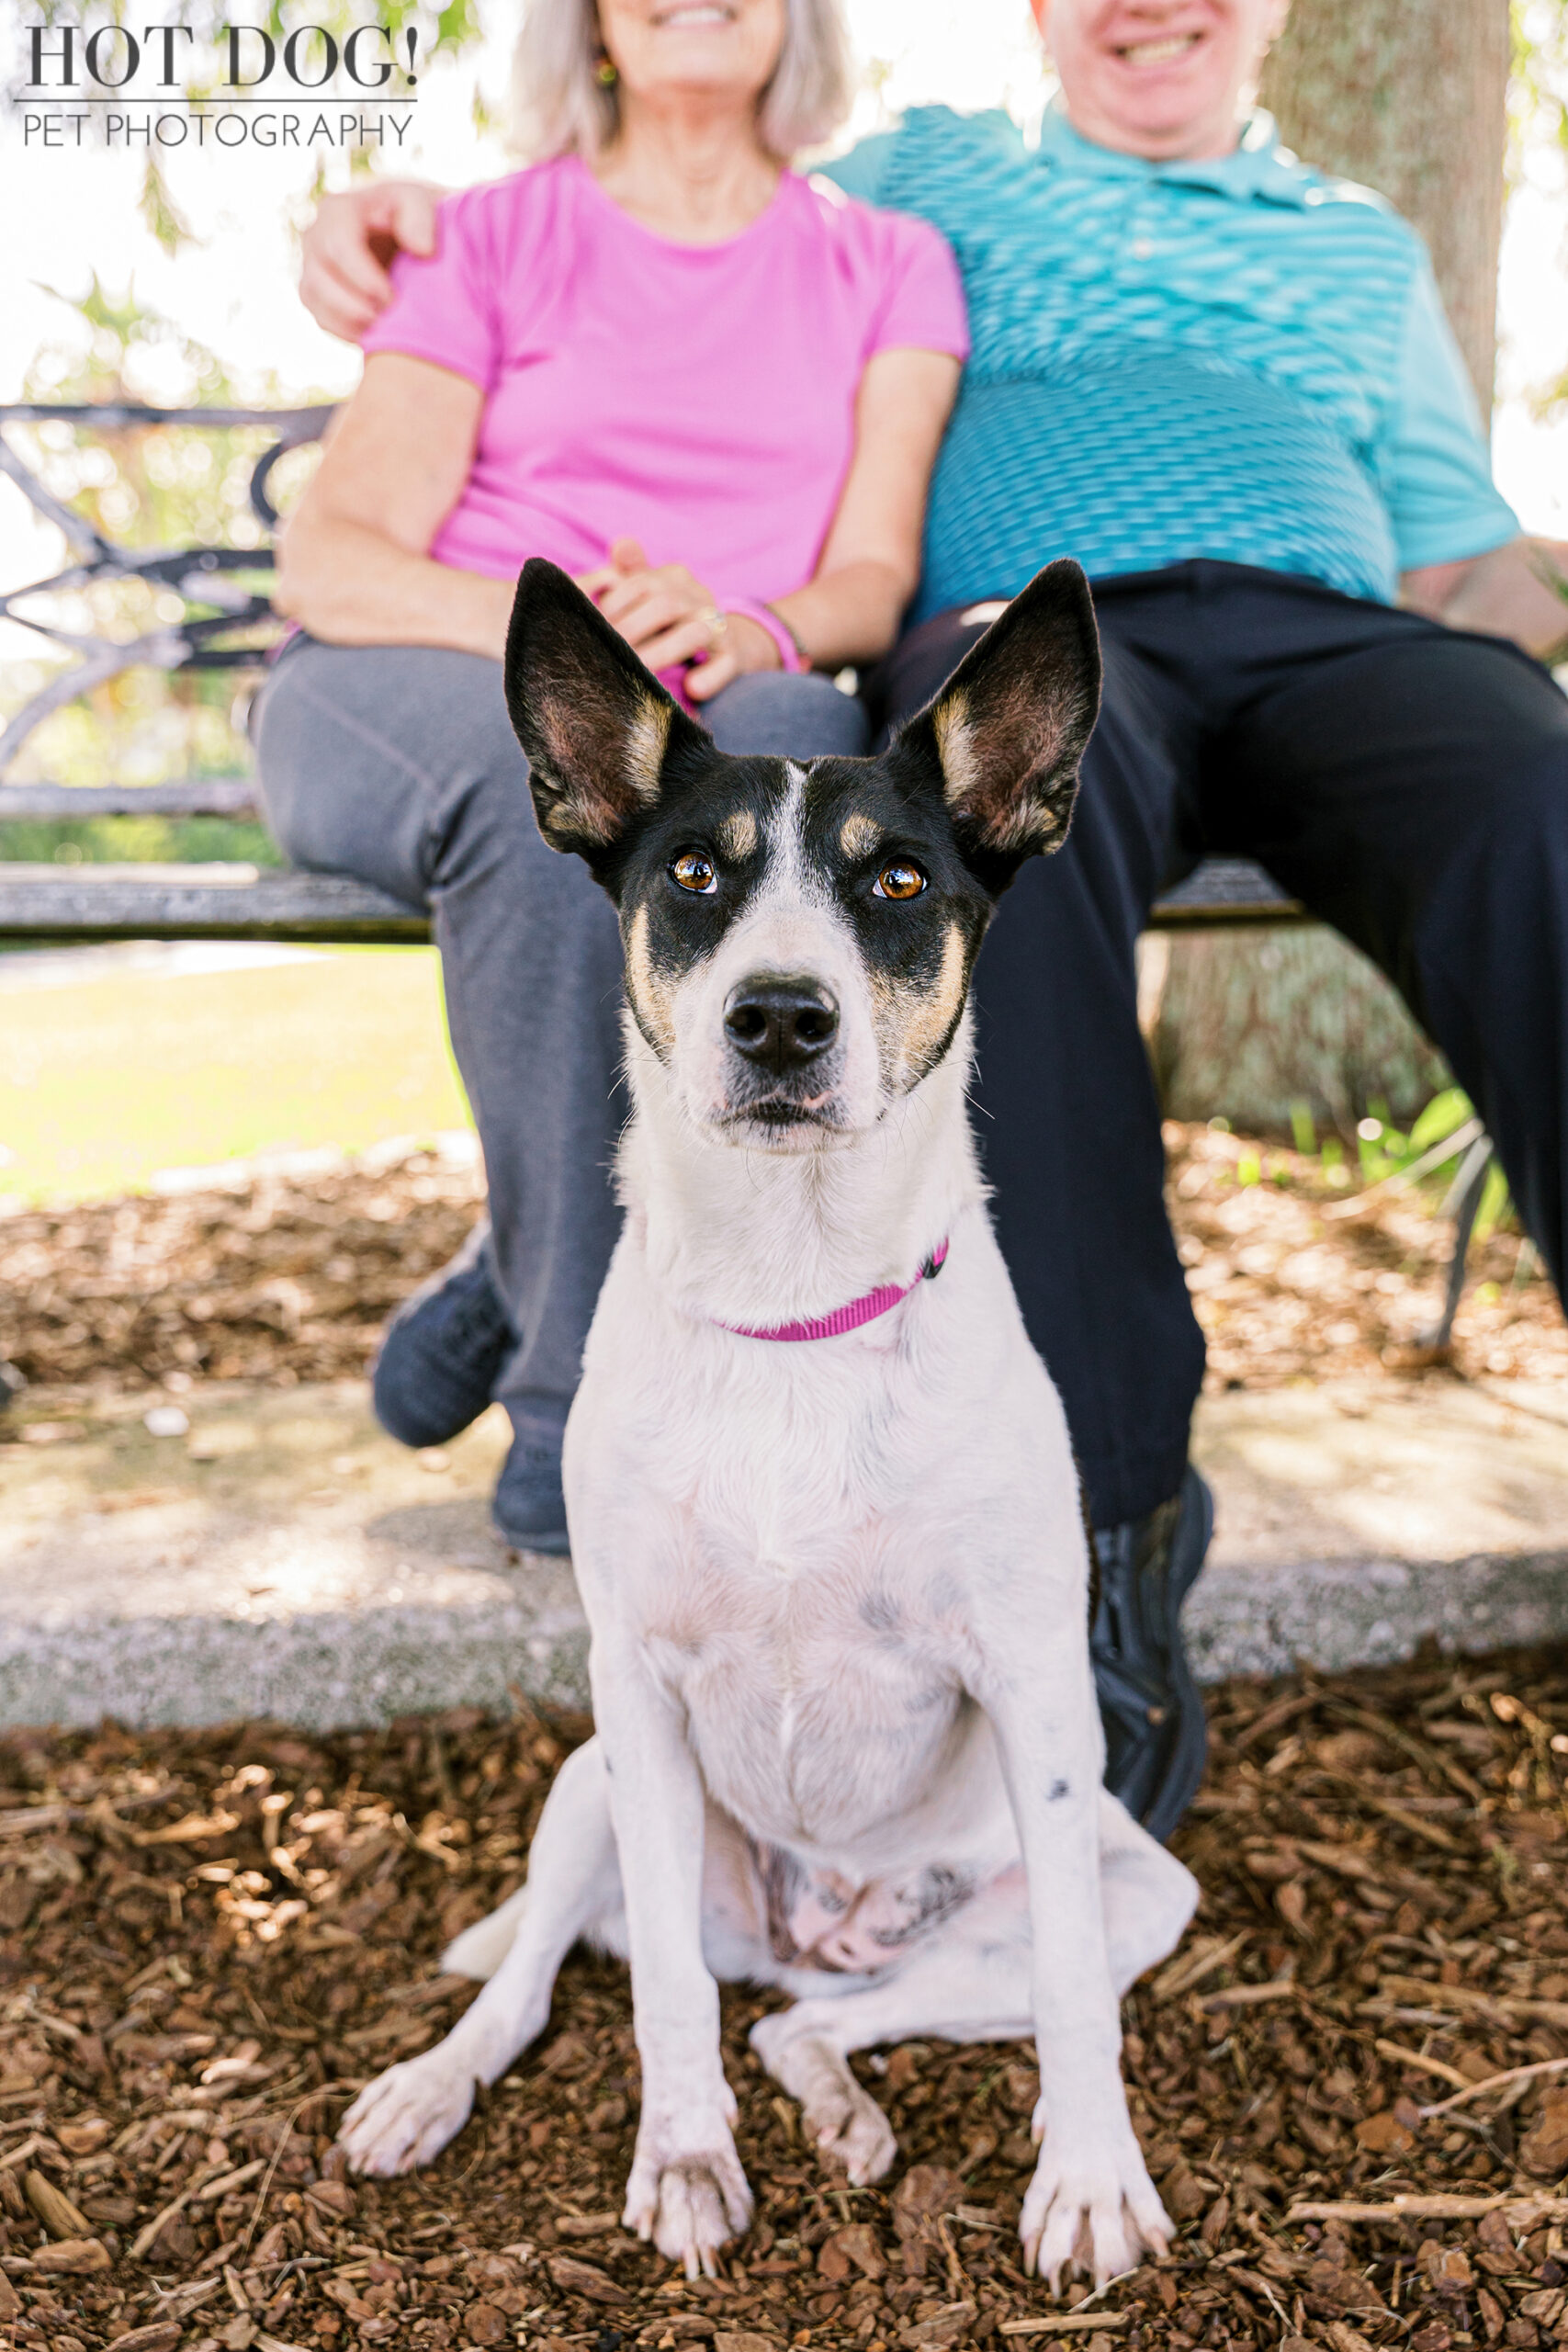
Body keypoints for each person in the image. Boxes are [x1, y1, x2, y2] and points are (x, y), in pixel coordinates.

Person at [296, 0, 1568, 1843]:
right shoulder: (923, 187)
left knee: (1539, 787)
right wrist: (410, 204)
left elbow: (1460, 559)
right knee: (978, 867)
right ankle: (1104, 1533)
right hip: (1035, 646)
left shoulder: (1357, 250)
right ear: (1040, 13)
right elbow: (686, 173)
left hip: (1327, 630)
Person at [256, 0, 968, 1557]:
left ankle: (520, 1257)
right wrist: (573, 660)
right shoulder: (490, 238)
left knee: (797, 740)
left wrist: (749, 624)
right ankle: (577, 1403)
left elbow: (873, 569)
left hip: (727, 679)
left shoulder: (887, 262)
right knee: (574, 804)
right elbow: (336, 552)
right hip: (411, 668)